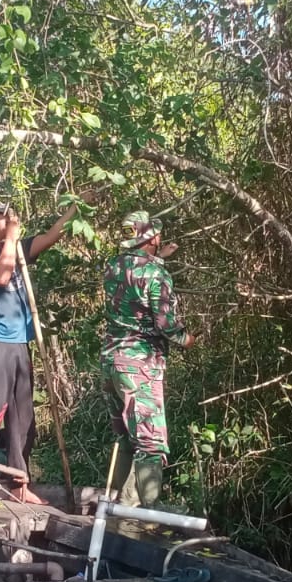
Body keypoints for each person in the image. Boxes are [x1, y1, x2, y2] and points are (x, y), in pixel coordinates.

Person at [0, 196, 77, 507]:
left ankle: (18, 483)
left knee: (23, 418)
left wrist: (77, 207)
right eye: (5, 217)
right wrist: (11, 238)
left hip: (18, 344)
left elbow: (52, 235)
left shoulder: (16, 251)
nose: (12, 222)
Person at [101, 210, 194, 507]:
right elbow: (167, 326)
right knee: (151, 443)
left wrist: (158, 258)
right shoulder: (156, 275)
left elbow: (133, 282)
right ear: (152, 236)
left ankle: (120, 506)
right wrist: (187, 338)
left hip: (111, 361)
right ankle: (148, 516)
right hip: (140, 363)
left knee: (127, 437)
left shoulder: (113, 266)